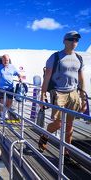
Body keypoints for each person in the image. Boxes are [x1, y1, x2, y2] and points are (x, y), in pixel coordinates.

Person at [38, 31, 87, 163]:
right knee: (58, 123)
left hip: (74, 93)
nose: (74, 42)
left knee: (70, 125)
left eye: (76, 40)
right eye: (71, 39)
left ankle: (66, 153)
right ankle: (45, 135)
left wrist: (83, 97)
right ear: (64, 41)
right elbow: (47, 77)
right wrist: (42, 95)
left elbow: (81, 78)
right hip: (58, 93)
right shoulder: (55, 57)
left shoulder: (79, 58)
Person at [0, 54, 21, 119]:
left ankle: (5, 112)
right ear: (2, 60)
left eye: (7, 60)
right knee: (3, 101)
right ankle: (2, 117)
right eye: (4, 60)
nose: (6, 61)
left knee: (10, 102)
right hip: (2, 87)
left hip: (10, 88)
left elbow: (18, 74)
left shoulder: (12, 67)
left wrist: (20, 78)